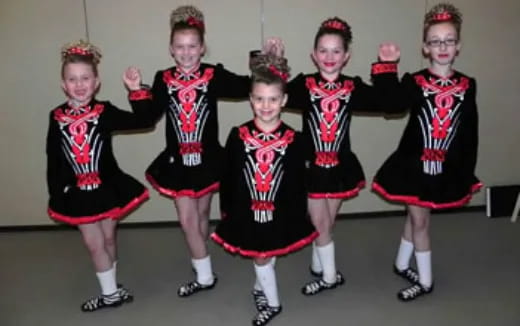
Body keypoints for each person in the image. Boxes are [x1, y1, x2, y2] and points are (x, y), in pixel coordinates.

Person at [267, 17, 401, 295]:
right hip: (312, 166)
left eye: (336, 51)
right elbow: (273, 94)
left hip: (341, 167)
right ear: (313, 55)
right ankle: (330, 276)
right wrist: (275, 62)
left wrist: (387, 69)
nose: (329, 57)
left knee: (326, 222)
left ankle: (319, 265)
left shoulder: (352, 87)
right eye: (323, 51)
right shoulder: (305, 85)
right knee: (321, 222)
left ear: (347, 56)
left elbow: (389, 104)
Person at [372, 3, 482, 301]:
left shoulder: (466, 84)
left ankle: (401, 262)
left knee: (416, 216)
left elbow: (469, 131)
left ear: (458, 45)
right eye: (435, 41)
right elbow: (392, 106)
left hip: (444, 166)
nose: (442, 46)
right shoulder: (416, 81)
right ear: (425, 47)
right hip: (413, 165)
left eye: (449, 40)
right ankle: (426, 281)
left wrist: (465, 170)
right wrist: (387, 67)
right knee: (420, 220)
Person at [143, 5, 251, 296]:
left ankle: (199, 257)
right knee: (187, 218)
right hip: (177, 163)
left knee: (202, 214)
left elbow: (246, 86)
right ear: (171, 49)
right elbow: (149, 115)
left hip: (207, 159)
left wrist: (267, 60)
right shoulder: (163, 78)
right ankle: (205, 275)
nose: (186, 52)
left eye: (192, 46)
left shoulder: (212, 75)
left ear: (202, 48)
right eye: (180, 47)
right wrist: (136, 91)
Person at [211, 54, 318, 326]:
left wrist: (296, 213)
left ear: (283, 100)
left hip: (280, 212)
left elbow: (297, 182)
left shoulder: (295, 140)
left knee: (267, 252)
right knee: (260, 254)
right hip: (247, 211)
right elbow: (229, 176)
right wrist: (227, 210)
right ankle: (272, 301)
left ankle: (268, 297)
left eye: (272, 99)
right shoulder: (238, 135)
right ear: (250, 99)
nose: (265, 106)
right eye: (259, 99)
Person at [46, 40, 153, 311]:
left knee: (107, 239)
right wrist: (57, 193)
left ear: (96, 82)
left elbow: (143, 121)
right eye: (72, 79)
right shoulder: (56, 116)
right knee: (94, 244)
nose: (79, 84)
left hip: (108, 188)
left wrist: (135, 90)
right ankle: (110, 295)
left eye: (85, 78)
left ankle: (112, 286)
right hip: (79, 193)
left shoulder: (103, 112)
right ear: (63, 84)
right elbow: (54, 158)